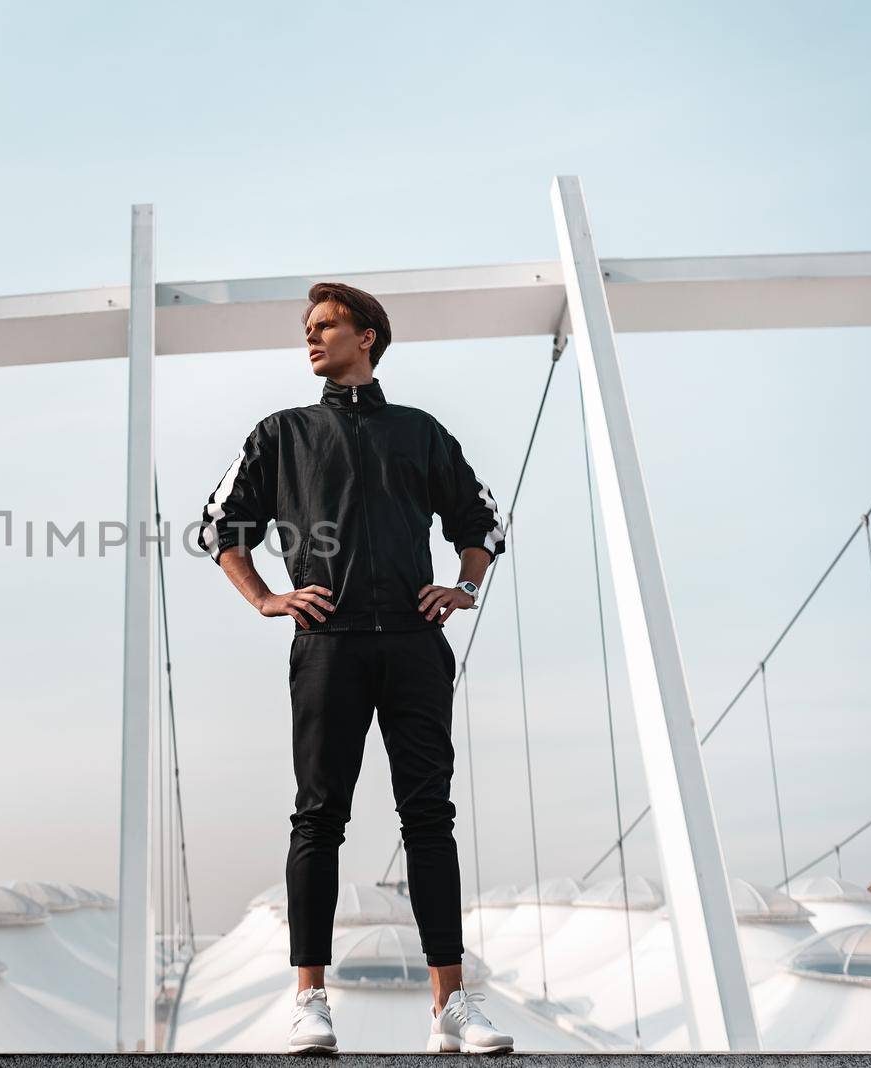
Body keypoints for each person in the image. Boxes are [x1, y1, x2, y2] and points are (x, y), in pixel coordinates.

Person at [197, 281, 514, 1055]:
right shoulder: (282, 434)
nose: (311, 338)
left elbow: (483, 524)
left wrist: (465, 585)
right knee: (318, 819)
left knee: (429, 819)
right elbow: (217, 527)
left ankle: (451, 1008)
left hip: (413, 642)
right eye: (307, 328)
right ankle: (310, 999)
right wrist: (267, 599)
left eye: (326, 325)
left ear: (366, 336)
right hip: (328, 645)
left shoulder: (421, 432)